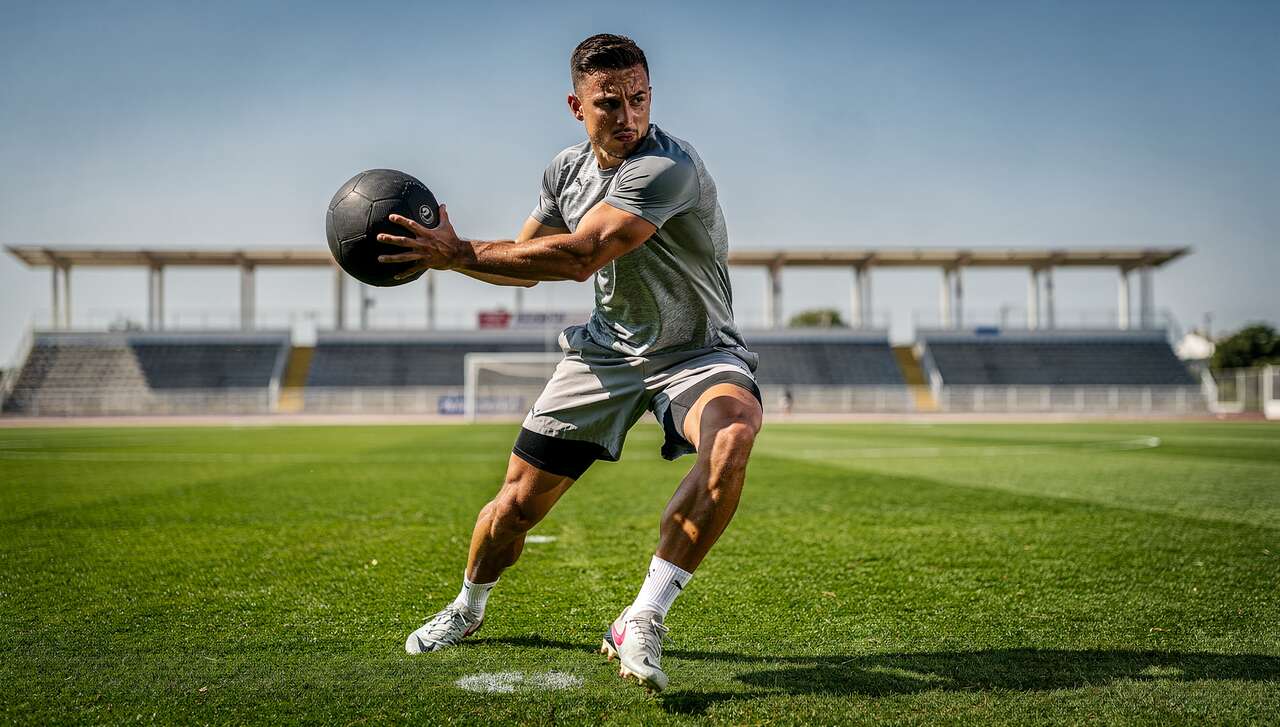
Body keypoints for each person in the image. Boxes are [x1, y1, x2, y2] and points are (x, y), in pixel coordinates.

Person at [378, 33, 762, 693]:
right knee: (514, 507)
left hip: (696, 351)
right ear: (576, 106)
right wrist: (454, 253)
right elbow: (527, 262)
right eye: (609, 103)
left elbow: (581, 254)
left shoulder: (669, 167)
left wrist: (459, 252)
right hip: (608, 352)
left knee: (731, 433)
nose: (629, 116)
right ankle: (468, 607)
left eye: (639, 99)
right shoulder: (564, 170)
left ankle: (643, 615)